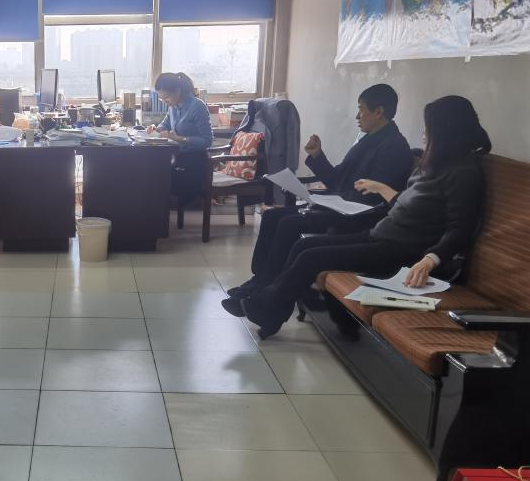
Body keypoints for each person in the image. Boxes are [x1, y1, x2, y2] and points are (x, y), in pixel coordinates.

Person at [227, 95, 490, 338]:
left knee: (310, 256)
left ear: (445, 132)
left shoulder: (463, 172)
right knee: (304, 245)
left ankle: (267, 308)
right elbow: (410, 205)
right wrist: (382, 190)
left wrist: (430, 259)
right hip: (382, 234)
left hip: (402, 250)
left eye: (428, 128)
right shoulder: (434, 164)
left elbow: (461, 227)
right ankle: (269, 306)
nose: (423, 133)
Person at [225, 84, 413, 307]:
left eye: (361, 109)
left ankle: (265, 286)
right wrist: (317, 156)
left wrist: (332, 200)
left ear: (378, 112)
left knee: (288, 223)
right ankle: (260, 280)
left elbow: (375, 198)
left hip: (359, 217)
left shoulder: (394, 147)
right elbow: (338, 180)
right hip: (339, 207)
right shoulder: (367, 140)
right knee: (272, 216)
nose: (357, 116)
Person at [151, 72, 214, 206]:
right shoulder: (173, 106)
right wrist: (155, 129)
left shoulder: (197, 106)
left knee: (159, 179)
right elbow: (165, 124)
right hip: (178, 158)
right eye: (161, 99)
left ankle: (161, 214)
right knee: (151, 171)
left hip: (194, 161)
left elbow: (207, 141)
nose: (165, 101)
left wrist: (179, 138)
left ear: (178, 91)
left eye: (166, 97)